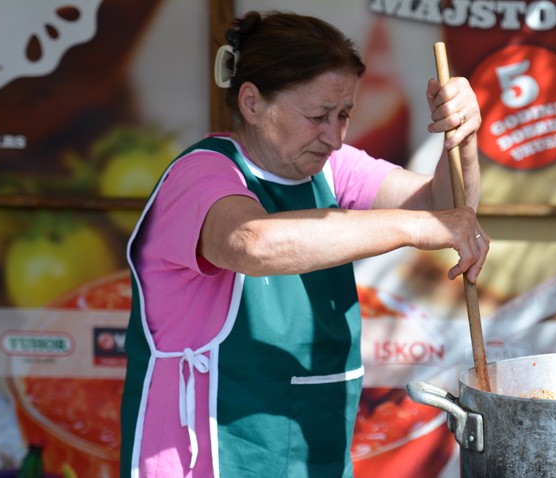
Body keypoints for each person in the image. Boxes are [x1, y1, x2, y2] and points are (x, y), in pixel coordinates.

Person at [119, 10, 488, 478]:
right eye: (317, 116)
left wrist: (466, 139)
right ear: (252, 103)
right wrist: (413, 228)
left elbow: (448, 205)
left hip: (312, 448)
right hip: (206, 456)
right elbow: (250, 243)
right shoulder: (202, 174)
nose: (334, 137)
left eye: (344, 115)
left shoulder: (331, 169)